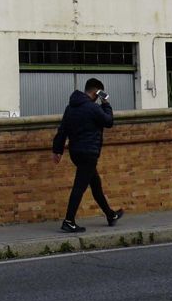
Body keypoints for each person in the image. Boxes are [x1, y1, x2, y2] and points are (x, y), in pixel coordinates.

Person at [51, 77, 123, 233]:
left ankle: (110, 215)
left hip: (76, 153)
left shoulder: (70, 107)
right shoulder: (93, 108)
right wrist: (106, 103)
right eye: (99, 93)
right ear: (97, 92)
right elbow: (109, 121)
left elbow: (62, 130)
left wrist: (57, 150)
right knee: (79, 187)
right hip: (89, 153)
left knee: (95, 185)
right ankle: (69, 221)